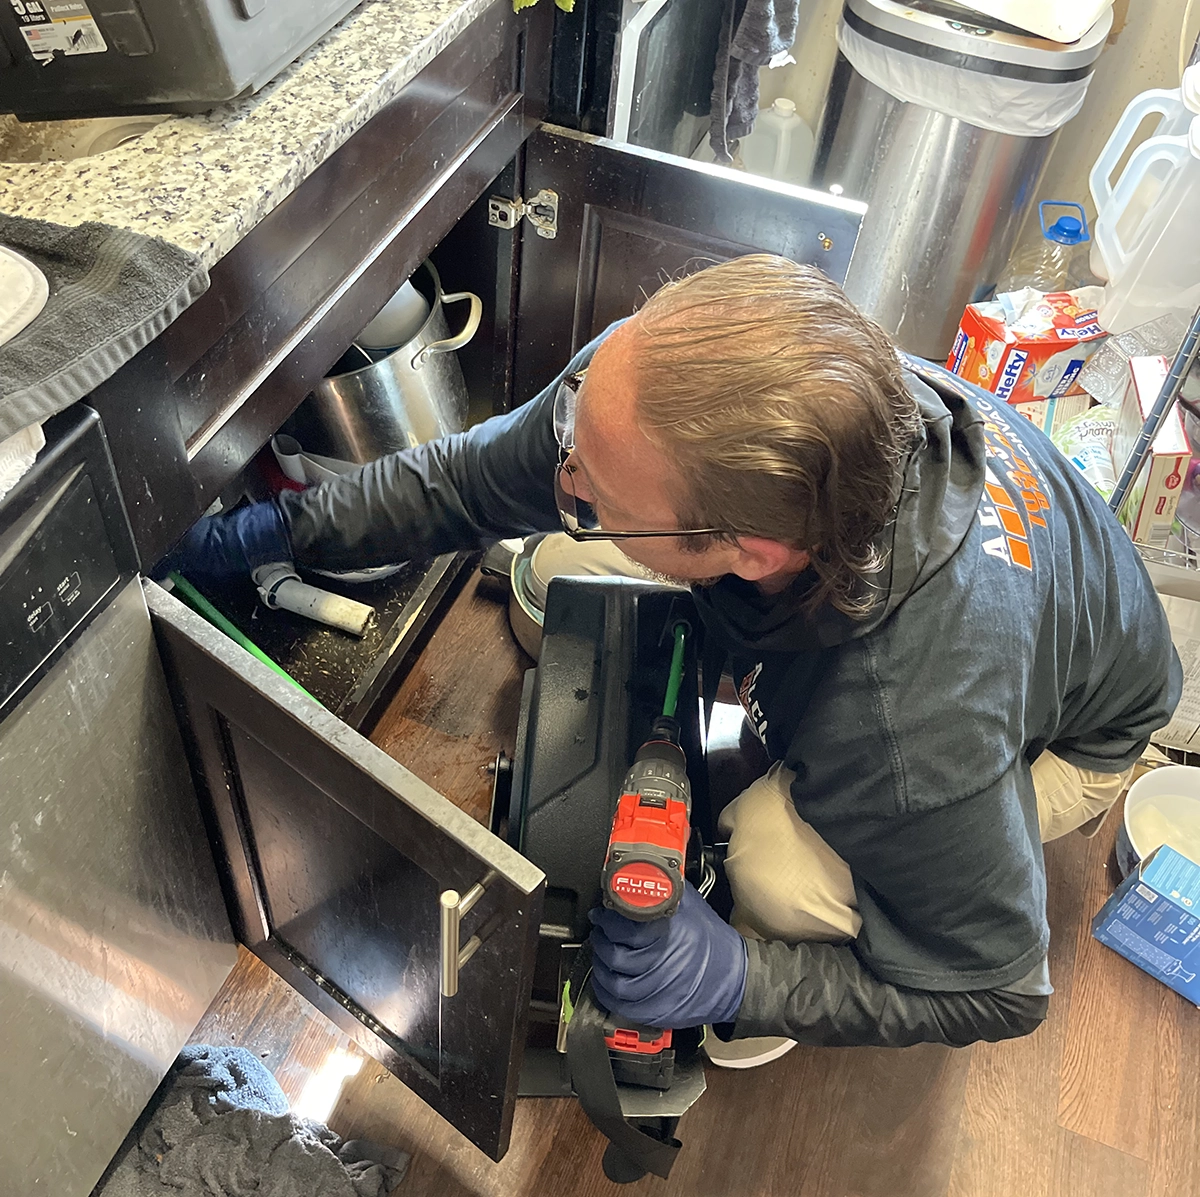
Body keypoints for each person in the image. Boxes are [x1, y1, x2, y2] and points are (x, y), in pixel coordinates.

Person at [173, 255, 1181, 1068]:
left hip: (1066, 739)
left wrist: (740, 976)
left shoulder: (905, 726)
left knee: (772, 857)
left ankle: (790, 955)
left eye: (594, 486)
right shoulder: (671, 386)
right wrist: (282, 531)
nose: (561, 475)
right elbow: (474, 482)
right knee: (559, 563)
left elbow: (995, 988)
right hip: (1014, 619)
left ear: (753, 552)